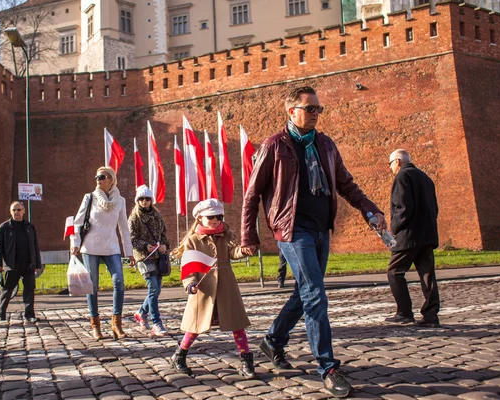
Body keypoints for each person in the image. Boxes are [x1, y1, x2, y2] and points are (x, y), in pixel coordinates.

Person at [240, 86, 386, 398]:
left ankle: (273, 341)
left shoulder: (326, 145)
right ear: (290, 111)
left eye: (318, 108)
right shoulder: (273, 146)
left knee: (304, 293)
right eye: (310, 108)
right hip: (292, 231)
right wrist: (248, 236)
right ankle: (328, 367)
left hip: (322, 229)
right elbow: (252, 195)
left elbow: (346, 184)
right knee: (315, 295)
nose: (316, 113)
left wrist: (370, 208)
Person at [171, 199, 257, 380]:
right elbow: (188, 267)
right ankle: (179, 355)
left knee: (237, 324)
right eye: (211, 216)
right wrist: (190, 283)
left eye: (219, 216)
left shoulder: (225, 236)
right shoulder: (193, 240)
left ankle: (246, 360)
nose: (216, 219)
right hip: (204, 290)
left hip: (227, 288)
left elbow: (233, 252)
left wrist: (244, 251)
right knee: (195, 326)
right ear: (200, 218)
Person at [70, 166, 135, 340]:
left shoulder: (120, 200)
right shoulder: (89, 198)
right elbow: (77, 222)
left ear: (111, 179)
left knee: (119, 281)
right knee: (93, 285)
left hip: (111, 246)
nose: (98, 179)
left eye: (102, 176)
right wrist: (75, 243)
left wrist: (129, 252)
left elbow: (123, 227)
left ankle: (116, 323)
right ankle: (95, 324)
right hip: (90, 247)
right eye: (97, 176)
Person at [386, 149, 440, 328]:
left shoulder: (402, 177)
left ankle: (404, 312)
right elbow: (435, 208)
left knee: (394, 271)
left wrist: (394, 228)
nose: (391, 168)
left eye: (390, 164)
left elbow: (402, 207)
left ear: (398, 162)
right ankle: (431, 315)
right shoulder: (426, 178)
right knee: (427, 275)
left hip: (409, 235)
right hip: (428, 234)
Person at [128, 185, 170, 336]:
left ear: (151, 200)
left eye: (147, 199)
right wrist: (146, 246)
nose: (144, 201)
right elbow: (131, 239)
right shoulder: (134, 218)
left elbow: (164, 234)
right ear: (137, 200)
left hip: (159, 256)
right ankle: (156, 323)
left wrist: (165, 245)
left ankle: (141, 312)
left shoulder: (158, 216)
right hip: (144, 257)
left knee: (156, 290)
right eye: (141, 199)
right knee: (153, 289)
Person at [0, 202, 42, 322]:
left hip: (28, 263)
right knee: (8, 289)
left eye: (19, 210)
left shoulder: (29, 227)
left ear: (24, 211)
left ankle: (29, 315)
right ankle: (1, 313)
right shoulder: (4, 227)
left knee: (29, 290)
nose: (16, 212)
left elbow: (35, 245)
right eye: (14, 210)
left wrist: (37, 263)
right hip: (12, 264)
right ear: (10, 211)